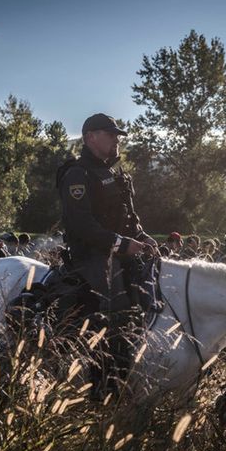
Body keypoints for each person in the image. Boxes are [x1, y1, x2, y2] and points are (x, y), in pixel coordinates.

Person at [56, 113, 157, 394]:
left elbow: (130, 219)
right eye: (110, 134)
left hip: (121, 250)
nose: (116, 140)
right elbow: (81, 224)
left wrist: (142, 237)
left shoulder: (117, 173)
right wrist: (122, 244)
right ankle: (107, 385)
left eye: (117, 135)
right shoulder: (77, 174)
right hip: (91, 256)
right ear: (90, 138)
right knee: (118, 308)